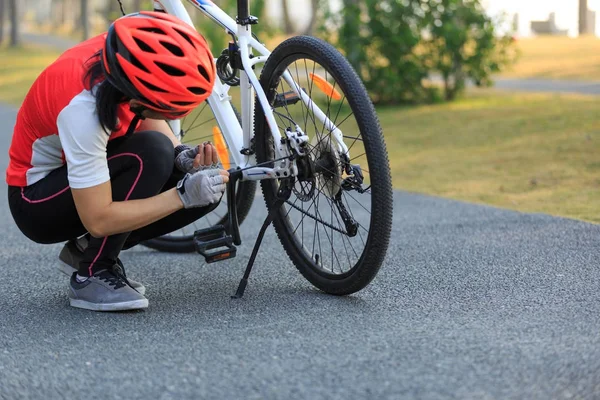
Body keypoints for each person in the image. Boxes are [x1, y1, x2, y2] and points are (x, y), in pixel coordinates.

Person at [5, 11, 229, 312]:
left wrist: (180, 155)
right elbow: (98, 219)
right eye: (160, 110)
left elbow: (148, 116)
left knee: (202, 185)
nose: (163, 118)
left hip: (75, 175)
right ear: (136, 101)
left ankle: (85, 251)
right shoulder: (82, 111)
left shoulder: (129, 50)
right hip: (34, 201)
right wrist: (182, 196)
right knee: (151, 154)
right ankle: (92, 275)